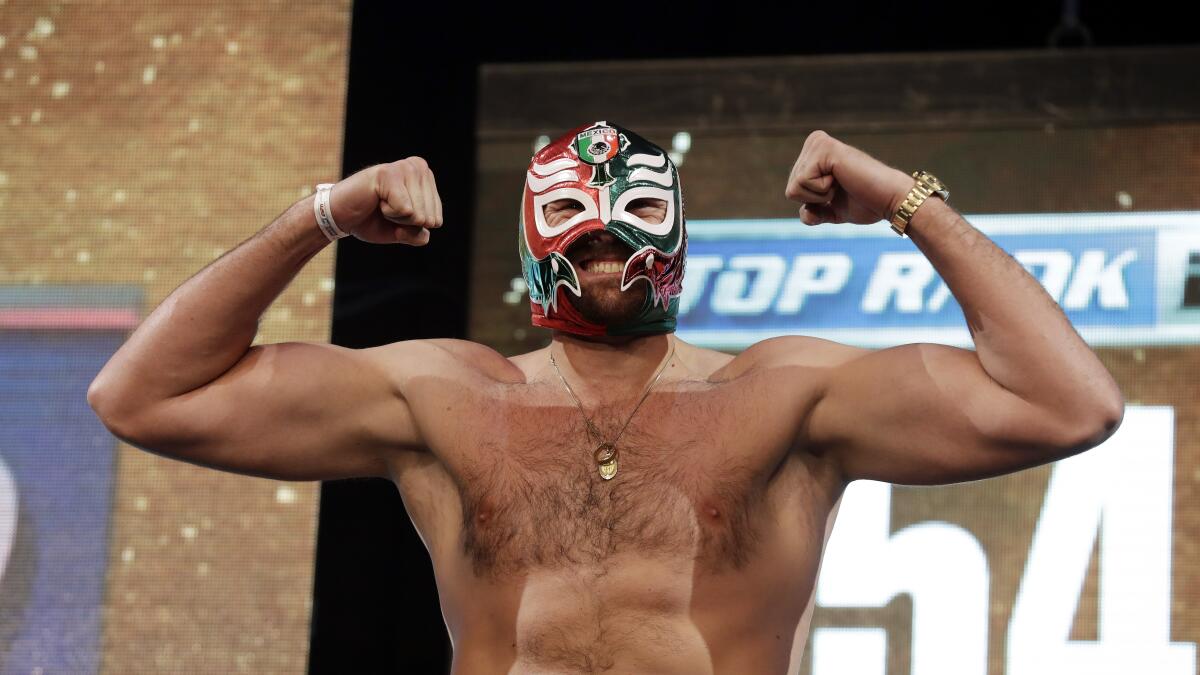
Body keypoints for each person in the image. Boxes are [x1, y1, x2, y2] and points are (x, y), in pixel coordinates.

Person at [87, 121, 1124, 674]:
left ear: (674, 234)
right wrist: (318, 214)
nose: (604, 238)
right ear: (537, 240)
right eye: (574, 215)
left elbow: (1071, 405)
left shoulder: (783, 395)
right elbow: (143, 397)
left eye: (631, 210)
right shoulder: (446, 398)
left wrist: (907, 201)